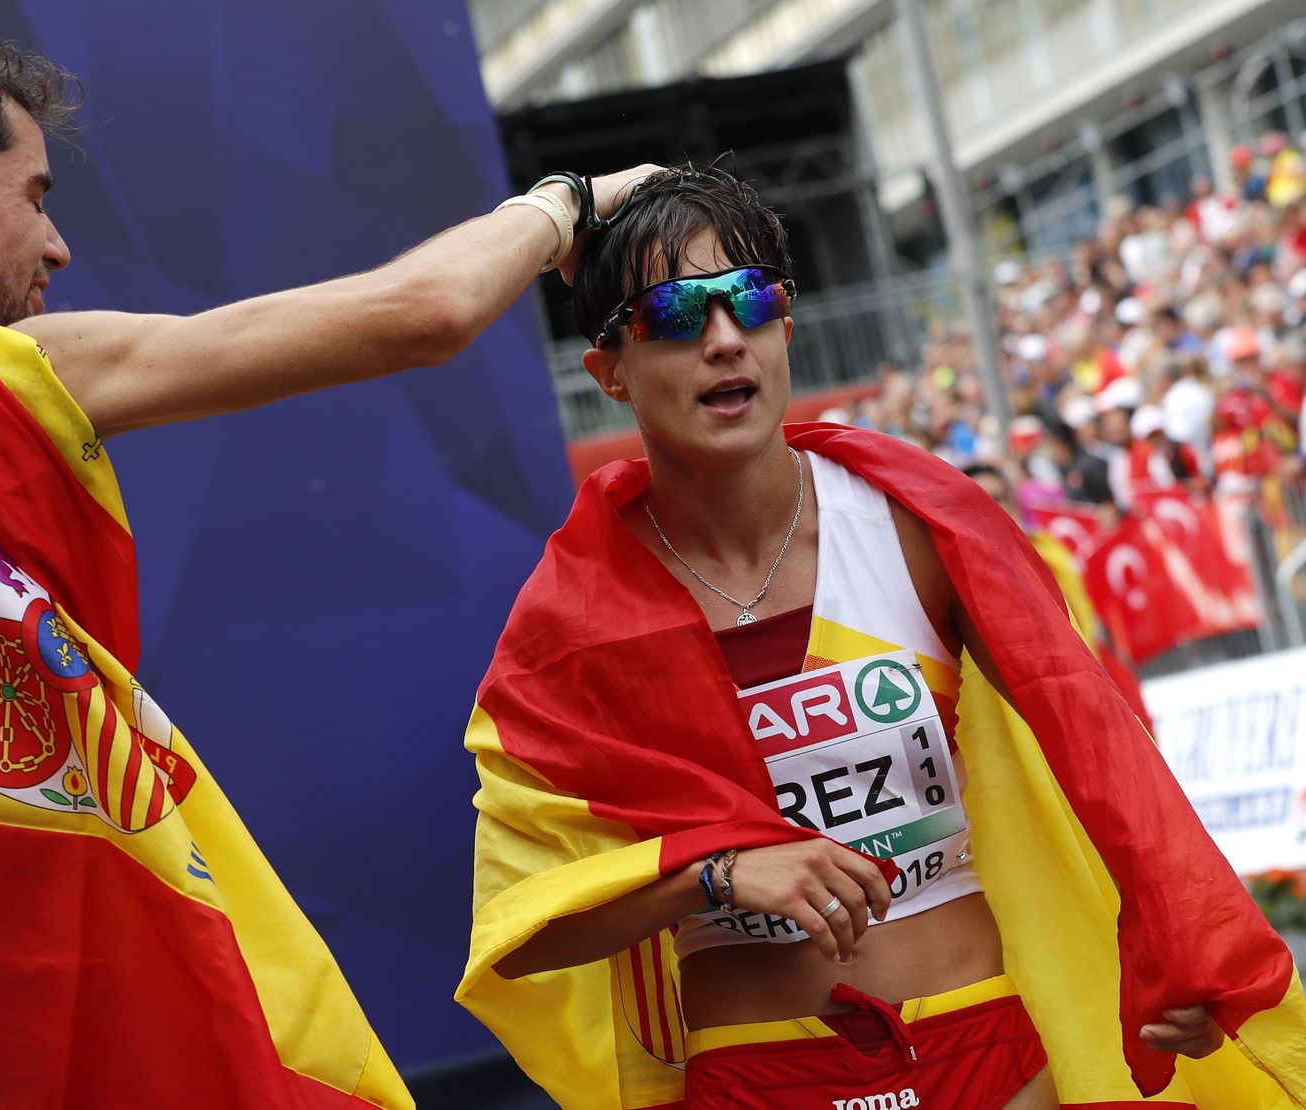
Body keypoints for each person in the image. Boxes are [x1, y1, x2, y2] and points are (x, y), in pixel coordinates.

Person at [0, 16, 654, 1109]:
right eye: (36, 197)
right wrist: (564, 205)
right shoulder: (7, 373)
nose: (57, 246)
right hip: (26, 1023)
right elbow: (424, 313)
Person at [458, 165, 1305, 1109]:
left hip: (986, 1051)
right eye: (676, 314)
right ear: (609, 371)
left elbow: (1101, 755)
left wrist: (1179, 940)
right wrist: (719, 878)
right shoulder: (574, 618)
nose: (726, 338)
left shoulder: (919, 525)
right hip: (759, 1077)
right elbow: (522, 929)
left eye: (753, 300)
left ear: (785, 328)